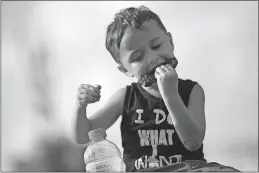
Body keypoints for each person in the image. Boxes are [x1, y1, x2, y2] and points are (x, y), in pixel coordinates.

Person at [75, 5, 239, 172]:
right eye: (138, 57)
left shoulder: (192, 91)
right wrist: (81, 106)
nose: (153, 58)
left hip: (189, 168)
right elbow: (83, 136)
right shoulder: (126, 97)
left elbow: (193, 142)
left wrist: (171, 96)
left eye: (156, 46)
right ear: (126, 71)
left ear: (170, 42)